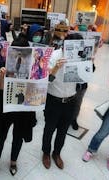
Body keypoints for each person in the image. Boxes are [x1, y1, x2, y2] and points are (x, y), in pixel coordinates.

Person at [0, 36, 37, 179]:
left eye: (23, 52)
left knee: (18, 136)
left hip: (23, 106)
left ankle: (13, 161)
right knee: (0, 135)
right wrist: (2, 76)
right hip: (6, 104)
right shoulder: (5, 63)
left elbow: (37, 86)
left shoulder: (32, 65)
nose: (20, 55)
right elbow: (0, 88)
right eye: (16, 52)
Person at [42, 32, 80, 170]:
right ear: (65, 44)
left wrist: (89, 64)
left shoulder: (79, 57)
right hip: (53, 100)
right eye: (72, 46)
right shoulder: (53, 55)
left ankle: (56, 153)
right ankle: (46, 152)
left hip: (70, 100)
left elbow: (85, 78)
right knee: (49, 128)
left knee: (63, 131)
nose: (75, 49)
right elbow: (47, 81)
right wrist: (56, 67)